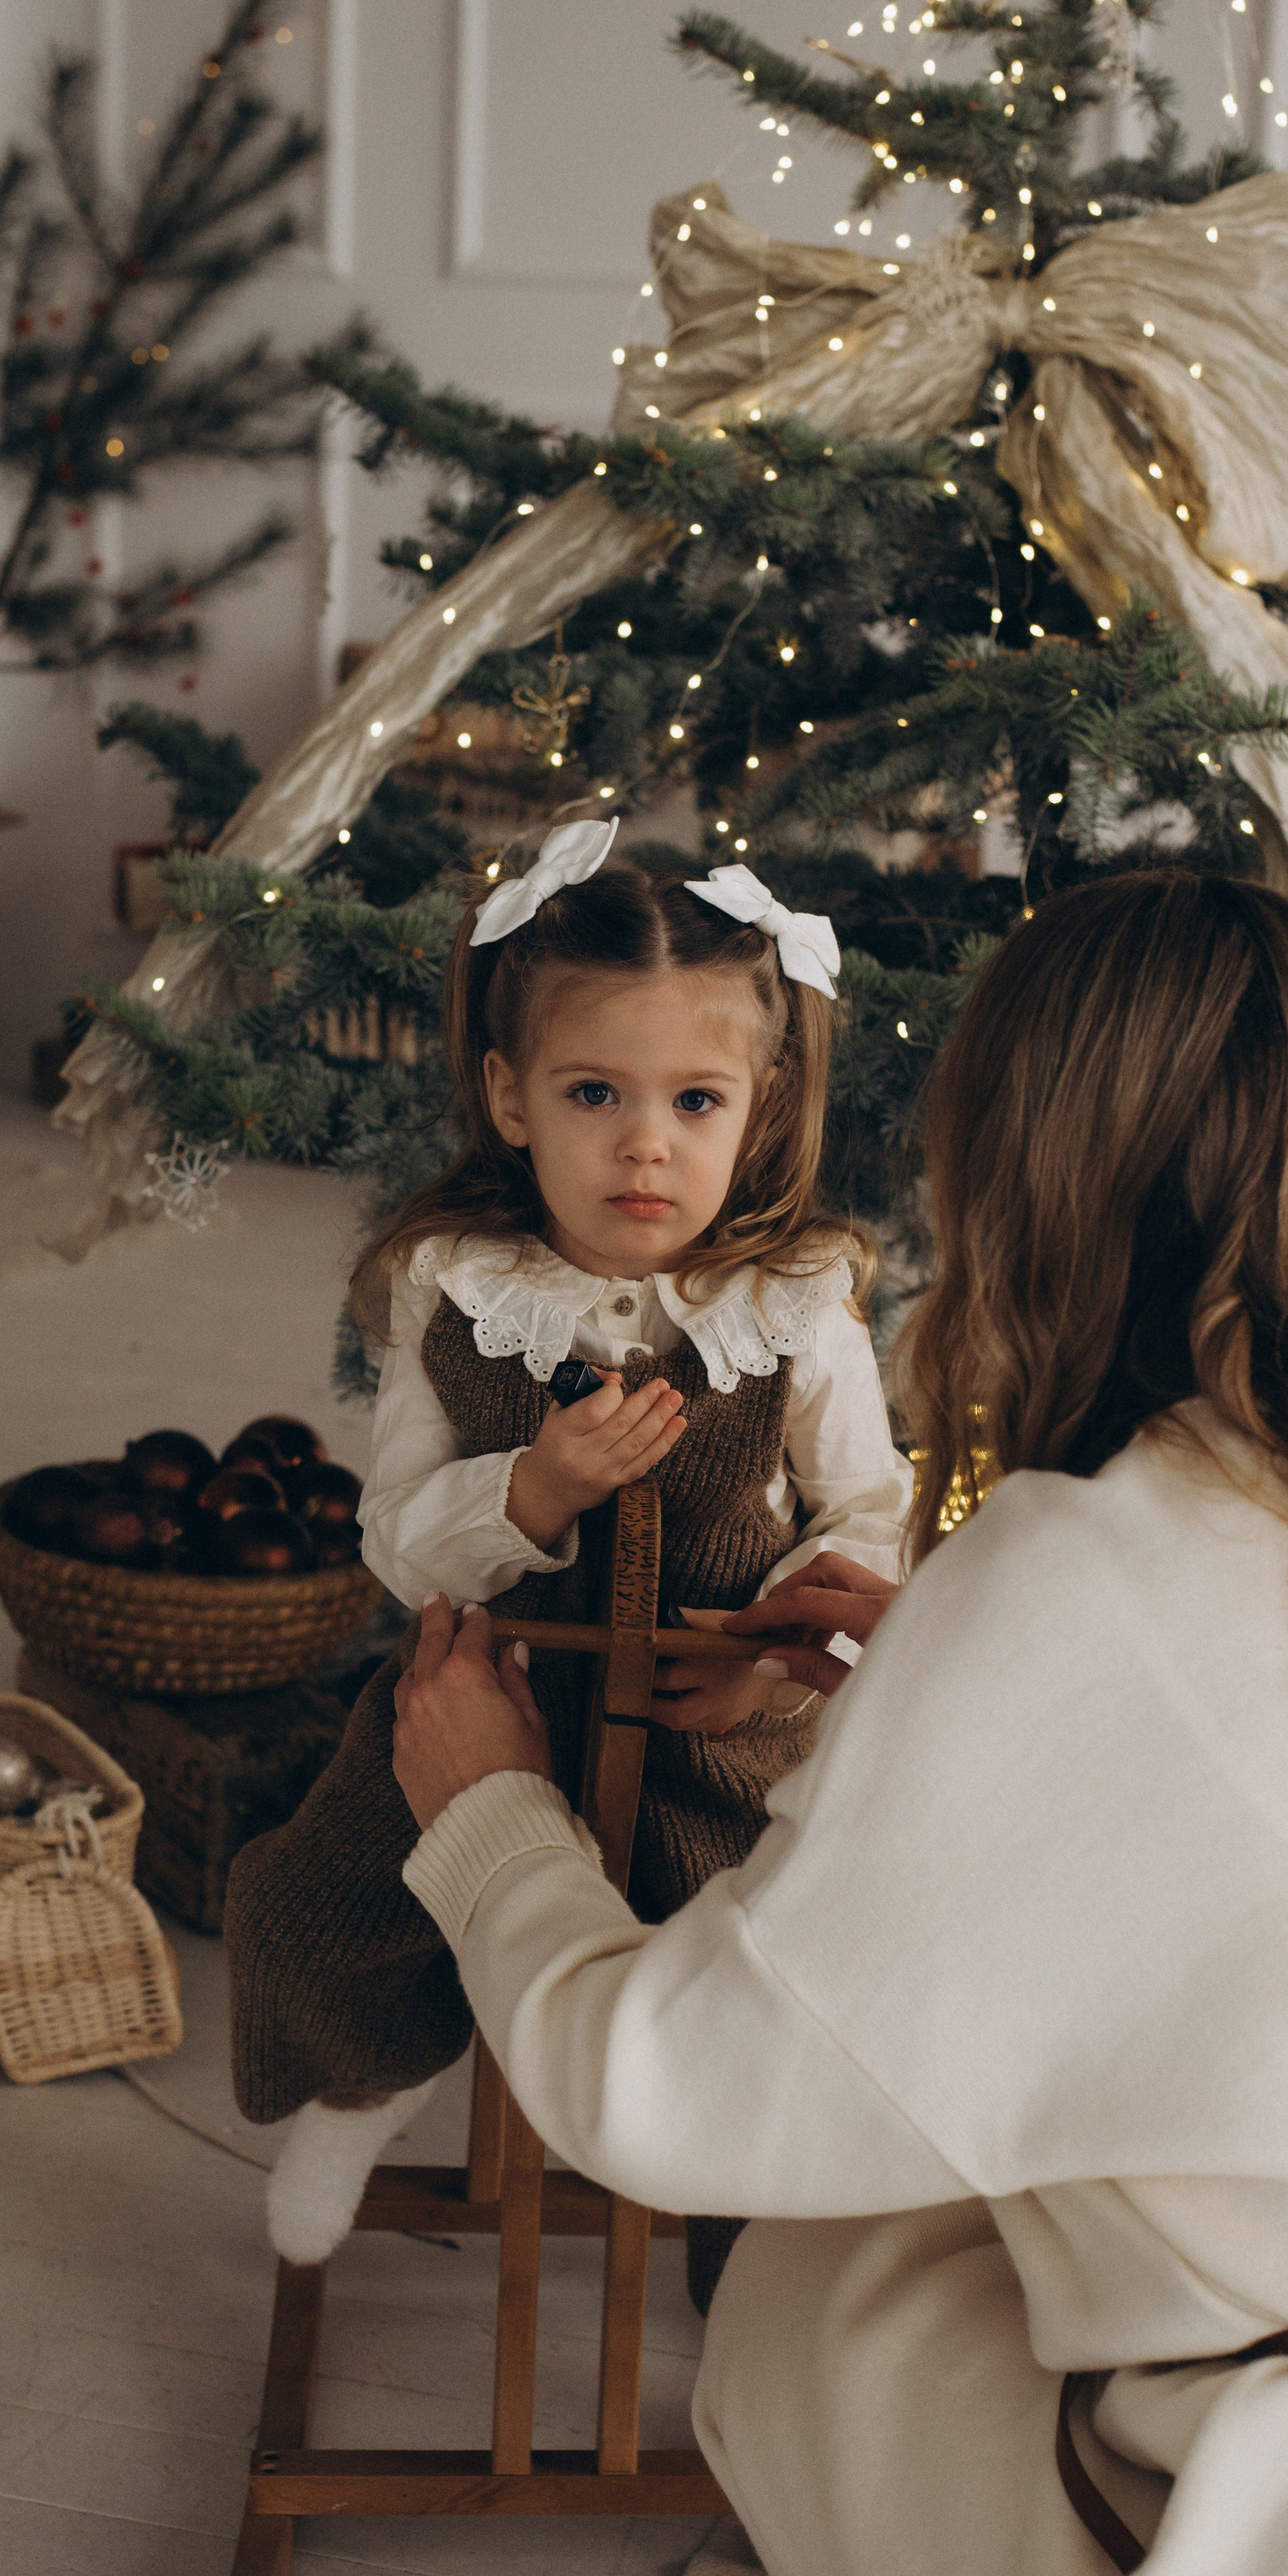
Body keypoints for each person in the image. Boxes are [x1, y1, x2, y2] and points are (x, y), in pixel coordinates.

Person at [389, 869, 1288, 2576]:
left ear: (1026, 1184)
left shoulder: (1097, 1567)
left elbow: (665, 2095)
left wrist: (488, 1813)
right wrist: (946, 1676)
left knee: (828, 2273)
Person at [224, 818, 915, 2304]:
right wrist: (530, 1493)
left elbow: (868, 1514)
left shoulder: (795, 1302)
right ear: (510, 1097)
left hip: (714, 1719)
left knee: (771, 1973)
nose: (644, 1143)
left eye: (692, 1099)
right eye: (594, 1093)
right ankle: (360, 2092)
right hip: (495, 1711)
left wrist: (761, 1665)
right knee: (320, 1904)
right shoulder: (457, 1288)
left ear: (760, 1103)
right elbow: (401, 1532)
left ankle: (751, 2266)